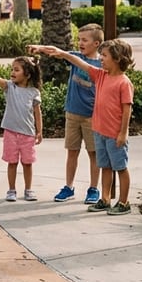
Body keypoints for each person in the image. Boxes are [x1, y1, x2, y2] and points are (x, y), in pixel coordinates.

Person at [35, 39, 135, 215]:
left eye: (104, 56)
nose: (101, 59)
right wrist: (63, 53)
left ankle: (124, 202)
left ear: (117, 58)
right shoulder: (100, 75)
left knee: (120, 168)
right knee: (105, 166)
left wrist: (123, 133)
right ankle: (105, 199)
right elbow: (80, 62)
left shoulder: (123, 82)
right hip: (100, 131)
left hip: (115, 135)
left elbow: (127, 110)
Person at [30, 24, 103, 205]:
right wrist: (40, 49)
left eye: (84, 40)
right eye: (79, 39)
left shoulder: (101, 64)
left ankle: (93, 189)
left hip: (92, 117)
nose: (80, 43)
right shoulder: (76, 57)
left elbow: (64, 54)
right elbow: (57, 51)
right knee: (72, 152)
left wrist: (63, 54)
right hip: (72, 113)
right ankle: (69, 187)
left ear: (97, 43)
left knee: (94, 154)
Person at [0, 57, 43, 201]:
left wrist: (39, 131)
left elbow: (37, 113)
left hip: (27, 134)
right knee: (12, 162)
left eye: (16, 70)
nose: (12, 72)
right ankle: (11, 190)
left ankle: (28, 190)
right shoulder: (10, 87)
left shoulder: (33, 92)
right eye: (12, 69)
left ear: (28, 75)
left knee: (27, 163)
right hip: (10, 133)